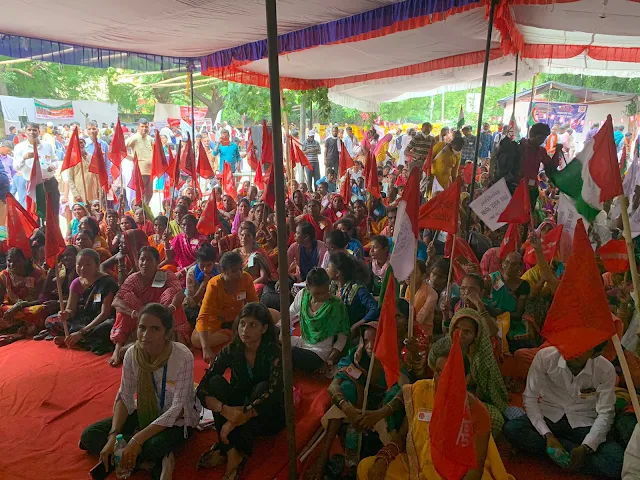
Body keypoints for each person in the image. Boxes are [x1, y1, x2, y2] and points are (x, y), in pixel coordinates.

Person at [357, 338, 513, 480]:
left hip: (455, 475)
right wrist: (383, 459)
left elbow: (474, 472)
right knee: (366, 468)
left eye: (451, 372)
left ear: (466, 379)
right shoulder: (421, 391)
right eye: (438, 372)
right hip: (415, 467)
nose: (443, 378)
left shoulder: (477, 412)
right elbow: (402, 438)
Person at [80, 303, 200, 480]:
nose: (145, 335)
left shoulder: (182, 356)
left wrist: (137, 440)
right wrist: (113, 436)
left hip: (177, 421)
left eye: (155, 329)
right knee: (90, 436)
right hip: (144, 413)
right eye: (142, 328)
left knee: (154, 446)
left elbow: (178, 409)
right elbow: (125, 396)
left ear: (167, 333)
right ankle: (147, 460)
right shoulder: (132, 354)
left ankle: (137, 452)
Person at [310, 301, 410, 480]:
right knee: (346, 389)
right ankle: (323, 456)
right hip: (358, 404)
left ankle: (383, 460)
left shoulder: (394, 358)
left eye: (376, 341)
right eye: (366, 341)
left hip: (381, 411)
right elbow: (333, 386)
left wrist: (378, 414)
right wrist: (347, 408)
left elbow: (405, 391)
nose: (370, 346)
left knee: (393, 401)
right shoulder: (357, 355)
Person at [504, 344, 624, 478]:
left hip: (584, 423)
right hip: (548, 416)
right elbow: (530, 398)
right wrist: (548, 435)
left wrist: (586, 446)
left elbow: (606, 413)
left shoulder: (605, 369)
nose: (574, 351)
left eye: (582, 348)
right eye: (571, 344)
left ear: (595, 353)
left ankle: (559, 453)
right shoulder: (545, 357)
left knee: (616, 461)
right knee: (512, 429)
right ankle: (569, 455)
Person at [196, 303, 284, 479]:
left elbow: (274, 393)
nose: (245, 330)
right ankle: (232, 453)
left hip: (266, 415)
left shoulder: (274, 352)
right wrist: (224, 410)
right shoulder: (232, 349)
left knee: (262, 387)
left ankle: (227, 447)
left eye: (253, 325)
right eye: (242, 323)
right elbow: (203, 387)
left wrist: (234, 421)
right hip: (237, 407)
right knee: (215, 382)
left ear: (264, 328)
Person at [109, 247, 190, 367]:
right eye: (142, 259)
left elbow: (180, 293)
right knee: (125, 300)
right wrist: (134, 313)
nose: (145, 263)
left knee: (172, 294)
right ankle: (118, 348)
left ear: (157, 262)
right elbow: (116, 301)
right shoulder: (133, 278)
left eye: (149, 260)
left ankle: (178, 344)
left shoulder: (166, 274)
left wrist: (171, 309)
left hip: (161, 314)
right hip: (140, 314)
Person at [443, 309, 508, 438]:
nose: (460, 335)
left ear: (476, 336)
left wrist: (467, 401)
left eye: (467, 332)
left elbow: (483, 390)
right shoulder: (444, 349)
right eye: (457, 328)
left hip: (471, 399)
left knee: (495, 419)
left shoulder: (480, 358)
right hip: (445, 396)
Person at [43, 248, 119, 353]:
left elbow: (105, 314)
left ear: (97, 266)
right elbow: (71, 309)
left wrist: (81, 332)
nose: (82, 268)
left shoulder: (107, 282)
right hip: (81, 319)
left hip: (99, 321)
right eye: (79, 265)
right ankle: (75, 339)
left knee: (107, 327)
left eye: (88, 264)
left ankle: (74, 339)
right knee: (50, 321)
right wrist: (66, 314)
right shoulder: (76, 283)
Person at [193, 251, 259, 363]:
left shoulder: (246, 278)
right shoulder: (214, 284)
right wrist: (206, 348)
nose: (239, 274)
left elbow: (254, 304)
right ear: (224, 271)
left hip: (239, 319)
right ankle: (232, 335)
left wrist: (245, 321)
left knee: (273, 314)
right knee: (196, 340)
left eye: (240, 269)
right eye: (234, 271)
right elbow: (203, 316)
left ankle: (237, 333)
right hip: (216, 321)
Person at [289, 267, 350, 372]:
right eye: (317, 293)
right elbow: (289, 313)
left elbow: (342, 336)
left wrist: (330, 360)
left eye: (325, 292)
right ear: (308, 287)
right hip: (302, 343)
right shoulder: (303, 295)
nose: (322, 296)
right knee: (274, 341)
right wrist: (280, 332)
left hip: (320, 353)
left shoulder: (336, 305)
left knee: (289, 352)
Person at [0, 248, 51, 335]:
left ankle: (18, 327)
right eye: (9, 261)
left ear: (26, 261)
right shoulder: (4, 275)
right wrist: (13, 307)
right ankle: (20, 327)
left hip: (30, 306)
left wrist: (19, 305)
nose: (12, 264)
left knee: (39, 310)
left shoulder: (37, 275)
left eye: (17, 261)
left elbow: (41, 299)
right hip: (10, 308)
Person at [14, 122, 60, 214]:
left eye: (34, 130)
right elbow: (16, 167)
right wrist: (24, 158)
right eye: (29, 130)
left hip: (49, 182)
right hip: (32, 185)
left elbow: (55, 160)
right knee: (35, 213)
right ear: (25, 132)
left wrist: (53, 166)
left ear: (39, 131)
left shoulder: (47, 146)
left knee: (53, 211)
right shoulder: (20, 147)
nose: (32, 132)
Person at [488, 252, 530, 352]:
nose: (509, 266)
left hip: (513, 323)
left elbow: (518, 314)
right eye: (507, 262)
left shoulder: (523, 285)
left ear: (520, 267)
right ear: (502, 264)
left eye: (514, 264)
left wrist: (501, 313)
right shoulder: (498, 280)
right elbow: (483, 288)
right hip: (492, 319)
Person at [327, 252, 379, 333]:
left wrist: (356, 325)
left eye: (328, 267)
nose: (326, 269)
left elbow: (374, 309)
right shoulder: (332, 287)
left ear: (337, 273)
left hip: (351, 332)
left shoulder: (358, 289)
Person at [234, 221, 278, 296]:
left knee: (258, 288)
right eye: (242, 235)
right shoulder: (235, 253)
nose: (244, 237)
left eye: (248, 235)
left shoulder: (258, 254)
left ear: (253, 238)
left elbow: (264, 277)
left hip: (253, 284)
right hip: (237, 284)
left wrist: (249, 285)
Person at [184, 244, 218, 327]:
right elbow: (192, 303)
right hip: (197, 306)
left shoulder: (219, 269)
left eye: (209, 265)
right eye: (202, 266)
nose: (205, 269)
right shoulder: (192, 273)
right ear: (197, 263)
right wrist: (203, 284)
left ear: (214, 263)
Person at [125, 118, 153, 202]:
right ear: (138, 127)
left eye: (146, 127)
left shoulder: (150, 138)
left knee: (149, 193)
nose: (144, 128)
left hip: (151, 171)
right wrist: (132, 158)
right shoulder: (134, 138)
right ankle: (140, 208)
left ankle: (146, 208)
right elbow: (121, 148)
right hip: (141, 171)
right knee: (141, 193)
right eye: (142, 126)